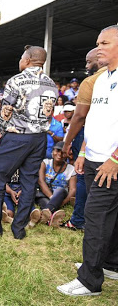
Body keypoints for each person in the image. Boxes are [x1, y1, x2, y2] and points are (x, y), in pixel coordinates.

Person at [0, 45, 58, 239]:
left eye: (21, 57)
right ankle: (19, 229)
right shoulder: (51, 84)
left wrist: (4, 133)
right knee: (29, 182)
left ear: (27, 60)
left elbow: (5, 111)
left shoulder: (16, 81)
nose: (20, 61)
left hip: (17, 136)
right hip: (39, 138)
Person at [57, 25, 118, 296]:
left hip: (112, 163)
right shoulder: (102, 78)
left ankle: (89, 281)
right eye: (98, 42)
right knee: (109, 218)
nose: (98, 48)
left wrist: (115, 158)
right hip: (94, 158)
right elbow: (93, 120)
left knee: (95, 218)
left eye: (104, 43)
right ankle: (109, 264)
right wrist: (82, 152)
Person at [61, 48, 107, 231]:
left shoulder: (91, 81)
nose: (87, 66)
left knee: (82, 177)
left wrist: (67, 142)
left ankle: (79, 220)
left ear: (100, 58)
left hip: (90, 134)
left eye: (89, 62)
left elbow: (79, 117)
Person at [33, 141, 76, 227]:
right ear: (52, 152)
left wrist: (62, 202)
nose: (59, 154)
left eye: (63, 152)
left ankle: (45, 215)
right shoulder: (45, 163)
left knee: (61, 190)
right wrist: (52, 198)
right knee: (45, 202)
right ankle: (50, 219)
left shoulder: (71, 169)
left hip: (60, 195)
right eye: (57, 151)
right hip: (44, 194)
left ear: (67, 155)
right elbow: (41, 181)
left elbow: (72, 189)